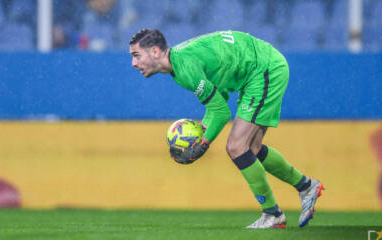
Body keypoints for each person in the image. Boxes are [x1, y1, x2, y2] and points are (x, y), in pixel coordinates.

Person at [129, 29, 325, 229]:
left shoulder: (185, 69)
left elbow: (221, 112)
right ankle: (306, 186)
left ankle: (273, 214)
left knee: (236, 147)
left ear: (154, 51)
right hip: (257, 71)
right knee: (252, 149)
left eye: (136, 56)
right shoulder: (179, 66)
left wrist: (203, 144)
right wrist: (203, 128)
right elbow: (218, 98)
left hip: (264, 70)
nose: (133, 63)